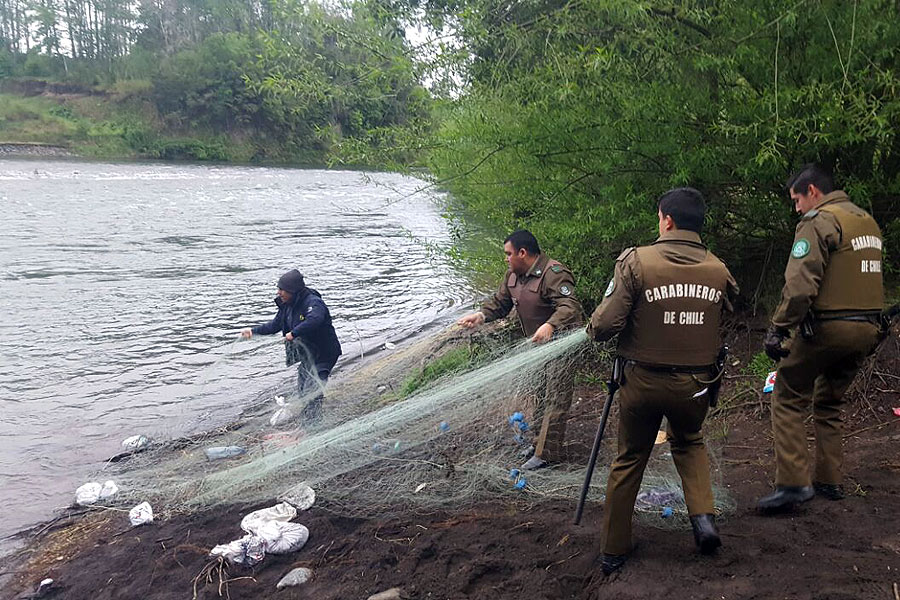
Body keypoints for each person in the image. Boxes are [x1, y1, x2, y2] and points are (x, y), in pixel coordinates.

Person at [586, 187, 738, 574]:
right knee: (690, 442)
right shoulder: (719, 270)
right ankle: (704, 521)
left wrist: (591, 328)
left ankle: (613, 549)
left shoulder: (636, 261)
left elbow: (604, 325)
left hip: (642, 383)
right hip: (697, 386)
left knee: (630, 457)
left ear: (666, 220)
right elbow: (724, 319)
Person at [758, 164, 884, 513]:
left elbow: (800, 285)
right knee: (829, 402)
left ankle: (794, 484)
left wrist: (779, 328)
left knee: (786, 393)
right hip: (868, 330)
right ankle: (829, 481)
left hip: (829, 328)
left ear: (812, 191)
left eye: (797, 199)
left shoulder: (818, 221)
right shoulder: (866, 221)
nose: (796, 207)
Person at [457, 229, 583, 470]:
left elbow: (570, 306)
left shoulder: (553, 273)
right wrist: (481, 316)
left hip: (561, 347)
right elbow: (500, 302)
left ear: (523, 253)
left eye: (509, 254)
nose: (506, 258)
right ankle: (537, 444)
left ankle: (547, 453)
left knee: (555, 399)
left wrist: (551, 325)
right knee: (537, 395)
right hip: (537, 347)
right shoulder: (513, 275)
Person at [242, 269, 342, 421]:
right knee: (303, 388)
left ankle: (313, 424)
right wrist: (253, 331)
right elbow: (274, 325)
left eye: (282, 289)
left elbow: (315, 319)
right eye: (279, 289)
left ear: (293, 290)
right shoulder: (287, 306)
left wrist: (294, 333)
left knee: (312, 388)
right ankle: (310, 418)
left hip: (324, 353)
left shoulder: (313, 302)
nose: (279, 293)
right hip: (308, 356)